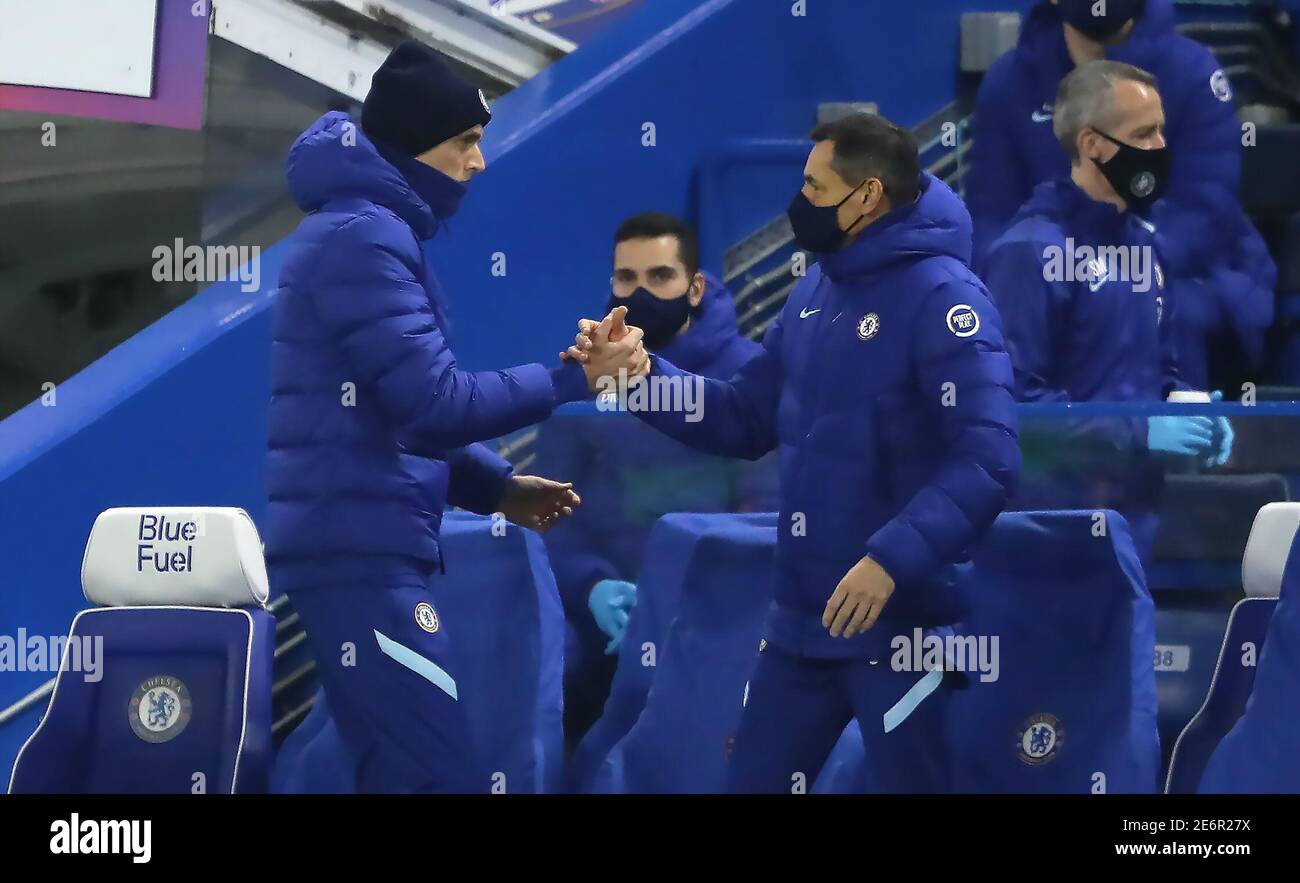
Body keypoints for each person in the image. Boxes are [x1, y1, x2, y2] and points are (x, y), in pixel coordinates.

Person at [566, 113, 1020, 792]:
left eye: (814, 185)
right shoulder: (814, 292)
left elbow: (989, 457)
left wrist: (890, 559)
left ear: (866, 196)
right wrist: (639, 378)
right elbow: (744, 415)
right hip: (800, 621)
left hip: (904, 626)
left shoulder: (948, 297)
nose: (798, 202)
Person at [266, 40, 647, 793]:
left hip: (358, 547)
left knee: (399, 770)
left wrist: (495, 488)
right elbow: (433, 402)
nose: (479, 163)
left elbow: (392, 416)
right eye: (465, 143)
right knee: (437, 773)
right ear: (414, 147)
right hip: (358, 556)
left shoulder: (365, 230)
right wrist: (572, 379)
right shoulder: (364, 237)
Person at [532, 211, 775, 745]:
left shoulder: (748, 376)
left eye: (660, 277)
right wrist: (592, 586)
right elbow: (550, 508)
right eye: (626, 279)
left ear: (695, 287)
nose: (640, 293)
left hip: (720, 613)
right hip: (605, 621)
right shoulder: (584, 375)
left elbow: (765, 513)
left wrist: (681, 593)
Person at [981, 60, 1233, 566]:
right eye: (1144, 133)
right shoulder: (1029, 252)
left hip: (1134, 529)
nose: (1161, 147)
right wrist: (1140, 430)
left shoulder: (1147, 249)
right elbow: (1013, 409)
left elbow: (1158, 370)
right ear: (1093, 144)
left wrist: (1186, 405)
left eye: (1162, 130)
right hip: (1045, 536)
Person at [967, 0, 1276, 389]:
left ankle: (1170, 433)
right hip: (1048, 265)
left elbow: (1204, 213)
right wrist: (1047, 269)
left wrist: (1108, 272)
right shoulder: (1008, 82)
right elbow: (989, 215)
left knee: (1156, 310)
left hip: (1183, 269)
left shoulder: (1194, 74)